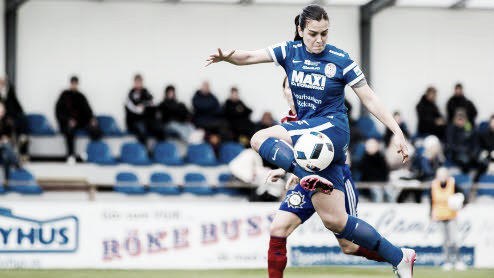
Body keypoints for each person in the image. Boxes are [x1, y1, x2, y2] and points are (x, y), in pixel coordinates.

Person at [206, 4, 415, 277]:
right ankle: (400, 257)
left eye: (324, 34)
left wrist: (396, 131)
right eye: (313, 33)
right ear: (300, 30)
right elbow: (250, 56)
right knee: (334, 223)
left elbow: (369, 98)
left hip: (333, 130)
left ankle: (304, 174)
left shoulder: (340, 59)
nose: (319, 40)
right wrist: (229, 58)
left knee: (259, 137)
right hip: (311, 143)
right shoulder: (289, 52)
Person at [264, 77, 386, 278]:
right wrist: (286, 170)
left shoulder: (320, 115)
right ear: (284, 91)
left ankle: (397, 257)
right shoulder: (286, 123)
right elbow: (296, 155)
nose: (293, 90)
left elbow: (336, 152)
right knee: (278, 229)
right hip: (306, 184)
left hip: (335, 182)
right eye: (288, 86)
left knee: (348, 246)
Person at [55, 76, 102, 163]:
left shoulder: (81, 96)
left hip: (81, 122)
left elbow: (88, 110)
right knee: (69, 131)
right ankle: (71, 155)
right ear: (70, 83)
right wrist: (68, 120)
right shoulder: (64, 95)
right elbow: (59, 111)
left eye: (76, 83)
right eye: (73, 83)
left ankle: (89, 153)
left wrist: (92, 119)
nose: (74, 85)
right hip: (68, 122)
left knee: (96, 129)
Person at [430, 167, 467, 271]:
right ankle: (447, 262)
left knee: (454, 240)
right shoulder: (434, 185)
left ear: (447, 175)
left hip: (451, 216)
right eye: (439, 175)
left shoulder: (452, 184)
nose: (441, 177)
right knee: (444, 241)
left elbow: (463, 195)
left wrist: (462, 204)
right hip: (440, 217)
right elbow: (431, 200)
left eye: (443, 175)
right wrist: (430, 214)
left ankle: (458, 261)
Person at [125, 74, 159, 145]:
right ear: (134, 83)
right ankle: (144, 150)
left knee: (158, 128)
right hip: (134, 121)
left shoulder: (146, 92)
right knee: (142, 129)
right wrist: (143, 106)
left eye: (140, 82)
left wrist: (144, 104)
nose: (138, 84)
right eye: (136, 82)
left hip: (146, 119)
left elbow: (153, 103)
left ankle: (158, 151)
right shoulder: (130, 94)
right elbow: (137, 110)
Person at [0, 77, 29, 159]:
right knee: (10, 123)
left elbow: (18, 107)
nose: (3, 84)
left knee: (23, 120)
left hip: (12, 116)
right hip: (4, 117)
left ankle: (23, 150)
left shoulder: (10, 93)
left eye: (4, 82)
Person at [0, 102, 20, 182]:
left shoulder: (8, 122)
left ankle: (7, 180)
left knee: (6, 156)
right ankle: (16, 162)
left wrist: (5, 139)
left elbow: (11, 137)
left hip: (4, 148)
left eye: (1, 110)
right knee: (6, 146)